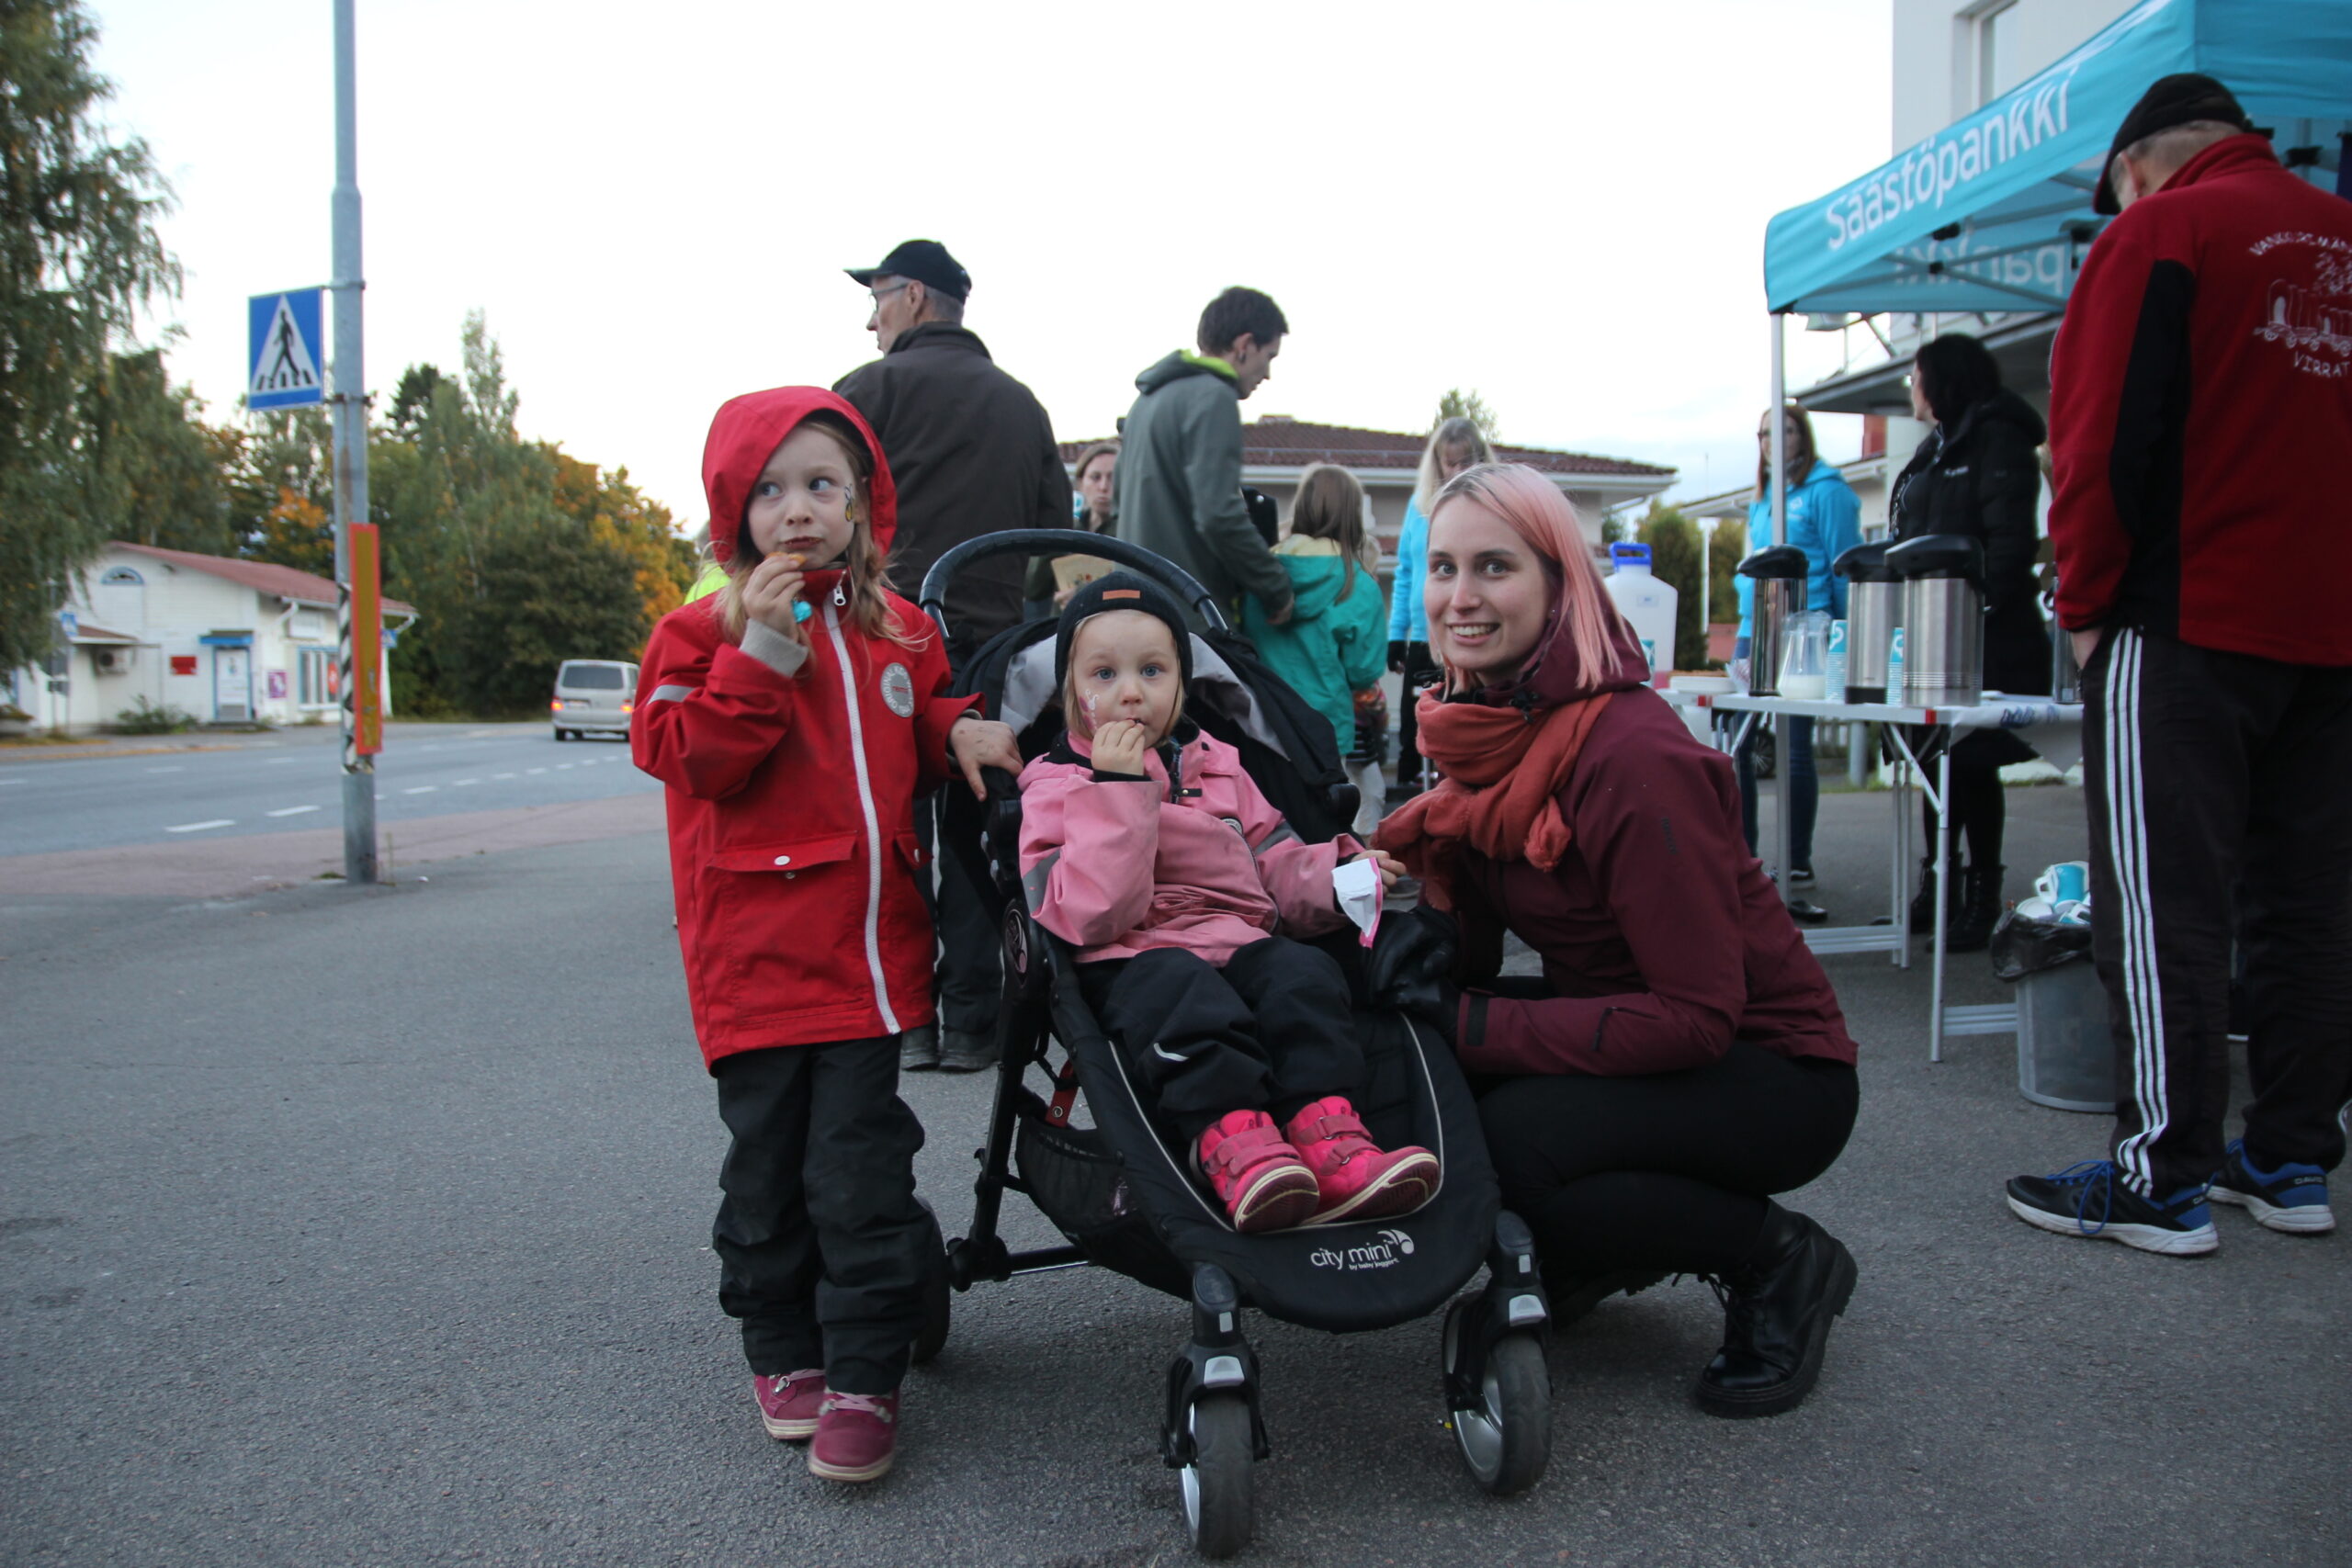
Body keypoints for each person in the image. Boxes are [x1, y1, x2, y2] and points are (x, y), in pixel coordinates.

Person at [1374, 463, 1860, 1418]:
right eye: (1441, 568)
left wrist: (1466, 1023)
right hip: (1640, 1030)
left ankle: (1782, 1261)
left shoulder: (1631, 755)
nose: (1458, 598)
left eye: (1494, 568)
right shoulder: (1485, 731)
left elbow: (1695, 1017)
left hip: (1770, 1070)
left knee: (1512, 1143)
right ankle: (1599, 1246)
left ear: (1560, 584)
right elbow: (1471, 963)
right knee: (1404, 1063)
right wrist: (1427, 920)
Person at [633, 387, 1025, 1483]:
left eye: (822, 486)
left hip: (868, 958)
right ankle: (781, 1349)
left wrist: (957, 729)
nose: (797, 509)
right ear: (733, 509)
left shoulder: (896, 629)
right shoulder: (692, 634)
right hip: (753, 964)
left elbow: (921, 703)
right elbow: (693, 758)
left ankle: (865, 1375)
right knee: (768, 1175)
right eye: (769, 490)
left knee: (856, 1171)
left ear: (862, 505)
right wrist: (758, 650)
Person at [2004, 75, 2352, 1255]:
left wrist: (2088, 605)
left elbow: (2095, 438)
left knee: (2163, 909)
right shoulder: (2337, 236)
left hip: (2189, 619)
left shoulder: (2161, 232)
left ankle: (2160, 1172)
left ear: (2135, 166)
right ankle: (2291, 1156)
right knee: (2311, 906)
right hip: (2332, 632)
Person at [1017, 573, 1435, 1231]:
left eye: (1152, 670)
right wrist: (1118, 790)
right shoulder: (1053, 786)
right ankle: (1234, 1141)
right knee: (1182, 991)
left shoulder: (1221, 766)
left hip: (1238, 939)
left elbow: (1275, 861)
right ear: (1070, 691)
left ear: (1181, 683)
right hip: (1133, 955)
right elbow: (1091, 912)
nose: (1130, 691)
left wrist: (1338, 874)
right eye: (1104, 674)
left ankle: (1329, 1134)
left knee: (1302, 975)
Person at [835, 239, 1073, 1075]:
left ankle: (904, 1018)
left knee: (888, 824)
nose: (870, 319)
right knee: (979, 821)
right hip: (991, 643)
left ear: (915, 299)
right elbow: (1054, 527)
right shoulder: (1022, 404)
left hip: (883, 639)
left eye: (878, 300)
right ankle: (974, 1016)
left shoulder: (866, 393)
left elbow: (829, 506)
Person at [1889, 332, 2052, 952]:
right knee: (1936, 760)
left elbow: (2008, 542)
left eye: (1916, 375)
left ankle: (1983, 896)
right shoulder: (1935, 448)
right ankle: (1941, 886)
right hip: (1933, 635)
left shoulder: (1997, 437)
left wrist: (1976, 609)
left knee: (1975, 766)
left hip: (1986, 637)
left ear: (1943, 378)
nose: (1912, 388)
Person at [1113, 287, 1295, 626]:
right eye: (1269, 356)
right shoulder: (1214, 397)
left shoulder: (1145, 403)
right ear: (1244, 346)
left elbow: (1117, 505)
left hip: (1132, 610)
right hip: (1189, 616)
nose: (1267, 373)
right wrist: (1276, 587)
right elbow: (1218, 516)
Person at [1736, 403, 1860, 897]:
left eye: (1784, 431)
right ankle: (1743, 857)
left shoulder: (1827, 491)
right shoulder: (1762, 497)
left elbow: (1844, 564)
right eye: (1765, 433)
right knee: (1737, 742)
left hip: (1806, 631)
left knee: (1794, 748)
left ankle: (1799, 861)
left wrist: (1846, 639)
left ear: (1802, 436)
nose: (1774, 440)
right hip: (1754, 630)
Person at [1240, 464, 1387, 760]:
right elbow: (1364, 671)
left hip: (1262, 721)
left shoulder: (1261, 572)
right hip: (1326, 729)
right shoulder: (1357, 583)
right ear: (1352, 514)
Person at [1389, 416, 1492, 799]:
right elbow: (1404, 574)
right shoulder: (1418, 511)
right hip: (1423, 638)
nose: (1459, 470)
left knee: (1462, 720)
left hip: (1469, 633)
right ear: (1438, 464)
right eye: (1452, 462)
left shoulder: (1492, 508)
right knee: (1415, 726)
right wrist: (1395, 635)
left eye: (1468, 461)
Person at [1024, 439, 1118, 618]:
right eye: (1095, 477)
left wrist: (1084, 594)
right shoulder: (1068, 529)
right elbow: (1032, 588)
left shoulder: (1130, 533)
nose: (1104, 487)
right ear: (1081, 483)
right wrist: (1051, 539)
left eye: (1112, 478)